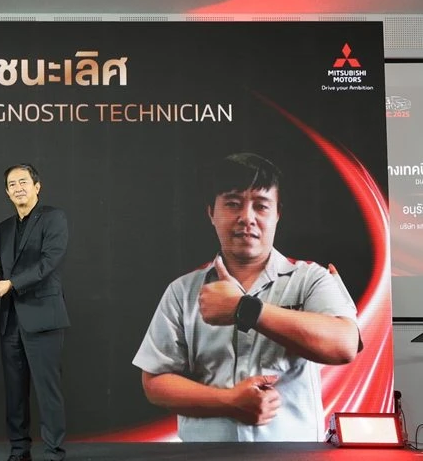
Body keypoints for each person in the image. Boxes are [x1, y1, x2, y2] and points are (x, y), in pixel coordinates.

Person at [132, 152, 361, 441]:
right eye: (232, 204)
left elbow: (344, 345)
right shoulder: (182, 291)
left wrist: (245, 309)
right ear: (211, 213)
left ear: (277, 214)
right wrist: (229, 402)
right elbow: (154, 383)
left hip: (294, 460)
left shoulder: (310, 279)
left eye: (261, 206)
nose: (247, 218)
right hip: (202, 460)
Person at [0, 164, 70, 461]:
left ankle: (54, 457)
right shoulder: (4, 227)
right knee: (15, 393)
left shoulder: (54, 218)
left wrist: (11, 284)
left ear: (37, 186)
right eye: (12, 184)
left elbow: (50, 262)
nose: (18, 187)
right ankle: (20, 453)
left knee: (48, 392)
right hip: (10, 319)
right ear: (7, 192)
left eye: (23, 182)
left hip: (43, 316)